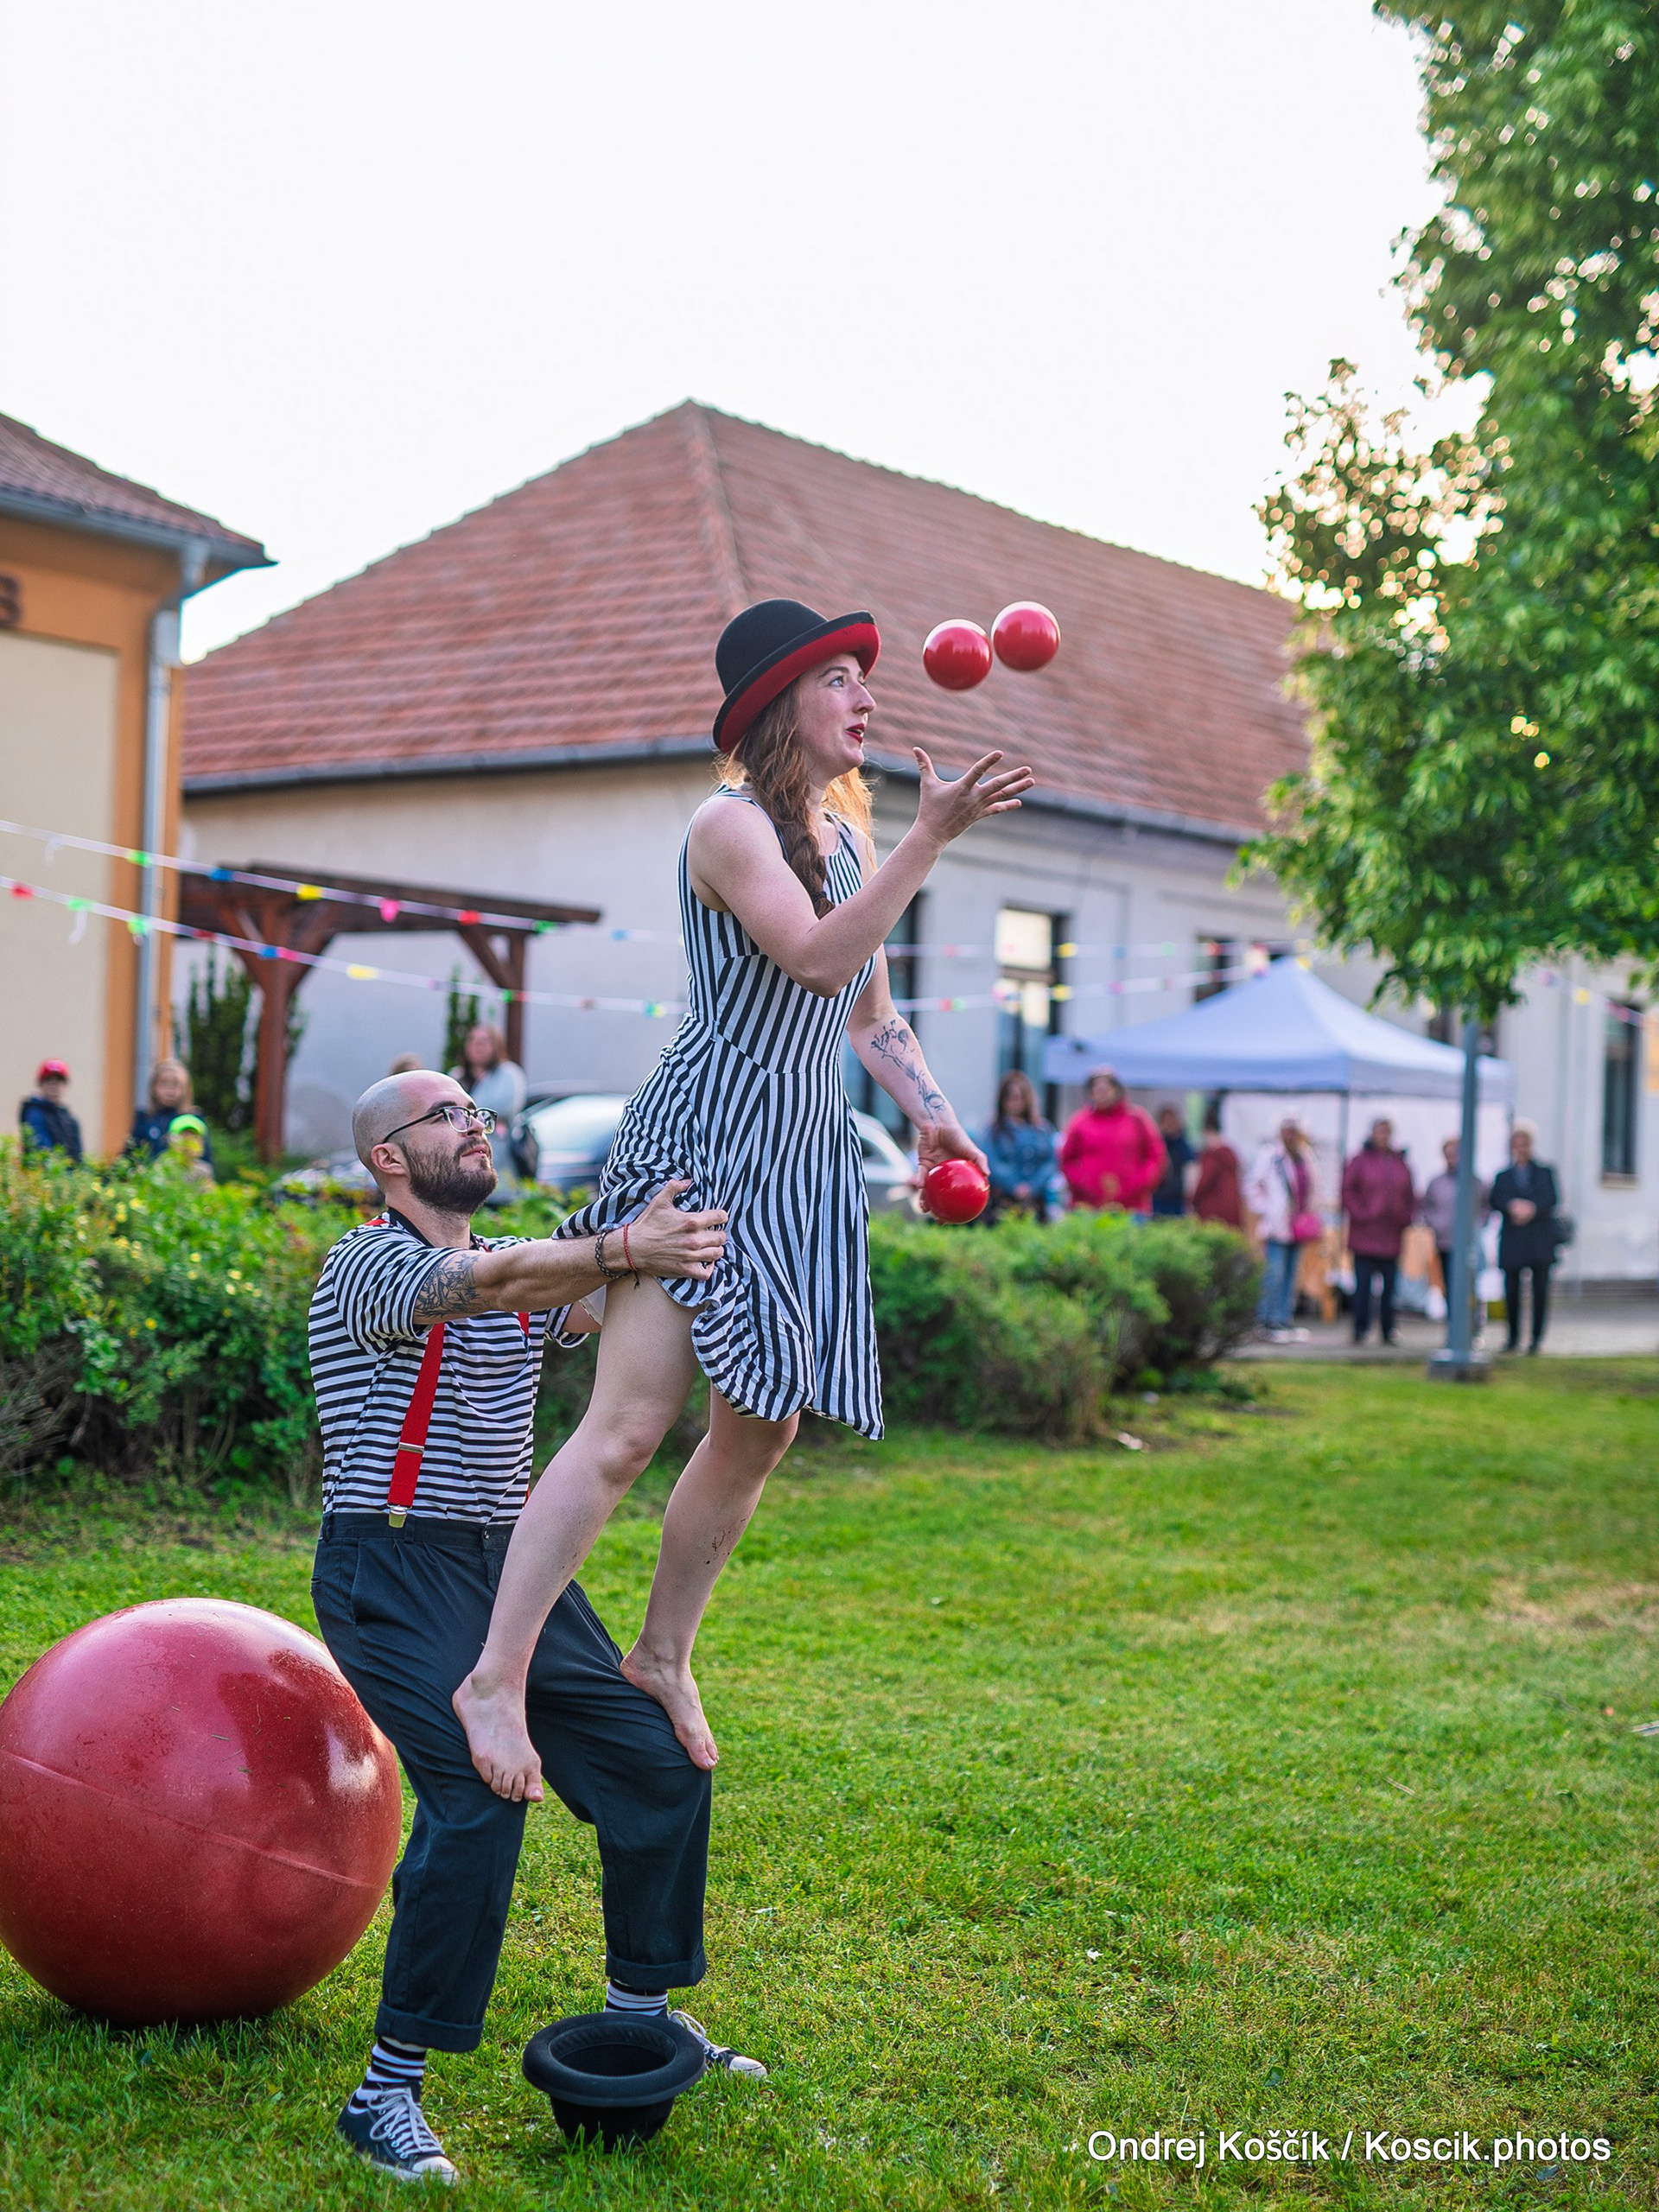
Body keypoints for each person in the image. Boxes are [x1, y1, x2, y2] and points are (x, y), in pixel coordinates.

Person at [451, 598, 1033, 1801]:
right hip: (708, 1143)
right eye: (839, 678)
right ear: (780, 703)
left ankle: (660, 1653)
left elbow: (867, 1012)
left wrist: (931, 1111)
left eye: (865, 677)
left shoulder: (848, 838)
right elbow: (814, 958)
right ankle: (495, 1677)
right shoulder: (727, 827)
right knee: (628, 1426)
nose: (866, 697)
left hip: (803, 1157)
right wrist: (931, 842)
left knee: (763, 1427)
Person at [309, 1068, 755, 2183]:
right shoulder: (364, 1262)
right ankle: (385, 2091)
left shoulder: (530, 1261)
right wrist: (620, 1248)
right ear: (389, 1157)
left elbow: (589, 1277)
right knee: (477, 1797)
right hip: (392, 1566)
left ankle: (640, 2018)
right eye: (448, 1114)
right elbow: (499, 1279)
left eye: (479, 1110)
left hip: (511, 1569)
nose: (476, 1123)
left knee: (659, 1759)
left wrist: (697, 1181)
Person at [1340, 1117, 1418, 1345]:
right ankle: (1360, 1328)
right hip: (1365, 1236)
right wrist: (1362, 1214)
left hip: (1391, 1236)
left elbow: (1411, 1194)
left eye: (1387, 1131)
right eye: (1380, 1131)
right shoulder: (1359, 1161)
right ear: (1372, 1133)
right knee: (1363, 1286)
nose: (1383, 1135)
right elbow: (1347, 1191)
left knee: (1390, 1288)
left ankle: (1388, 1328)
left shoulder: (1400, 1162)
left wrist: (1406, 1216)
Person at [1243, 1116, 1320, 1341]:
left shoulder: (1305, 1156)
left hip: (1298, 1225)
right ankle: (1266, 1320)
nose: (1291, 1135)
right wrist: (1267, 1209)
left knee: (1291, 1274)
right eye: (1287, 1131)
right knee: (1274, 1274)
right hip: (1277, 1225)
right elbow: (1251, 1185)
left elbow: (1312, 1188)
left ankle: (1283, 1318)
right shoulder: (1270, 1156)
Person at [1489, 1119, 1560, 1353]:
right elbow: (1495, 1200)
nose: (1521, 1148)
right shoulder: (1504, 1176)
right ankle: (1512, 1338)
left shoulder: (1545, 1172)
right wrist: (1512, 1207)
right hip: (1513, 1241)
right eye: (1517, 1143)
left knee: (1540, 1292)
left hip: (1539, 1241)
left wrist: (1532, 1208)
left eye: (1525, 1143)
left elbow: (1551, 1198)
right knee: (1512, 1292)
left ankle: (1536, 1338)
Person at [1058, 1070, 1166, 1214]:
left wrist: (1136, 1185)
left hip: (1132, 1206)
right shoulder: (1079, 1122)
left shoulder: (1137, 1119)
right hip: (1087, 1206)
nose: (1101, 1094)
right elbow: (1066, 1159)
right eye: (1096, 1089)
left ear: (1117, 1090)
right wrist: (1084, 1183)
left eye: (1105, 1089)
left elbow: (1156, 1157)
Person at [978, 1069, 1067, 1222]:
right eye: (1011, 1098)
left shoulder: (1042, 1129)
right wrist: (1014, 1186)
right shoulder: (993, 1131)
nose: (1015, 1103)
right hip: (1003, 1199)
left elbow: (1050, 1162)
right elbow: (991, 1162)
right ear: (1002, 1100)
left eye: (1019, 1097)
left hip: (1036, 1200)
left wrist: (1032, 1186)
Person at [1421, 1135, 1489, 1335]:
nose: (1452, 1157)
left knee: (1469, 1287)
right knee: (1449, 1288)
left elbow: (1485, 1208)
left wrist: (1476, 1226)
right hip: (1445, 1242)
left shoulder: (1476, 1182)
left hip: (1468, 1244)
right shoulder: (1436, 1182)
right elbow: (1426, 1207)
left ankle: (1473, 1329)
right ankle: (1453, 1329)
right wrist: (1435, 1223)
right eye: (1449, 1154)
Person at [449, 1023, 526, 1190]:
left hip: (499, 1160)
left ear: (496, 1045)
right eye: (472, 1040)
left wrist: (464, 1114)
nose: (477, 1046)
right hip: (460, 1163)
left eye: (483, 1041)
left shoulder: (509, 1074)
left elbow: (503, 1108)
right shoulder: (456, 1076)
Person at [126, 1058, 215, 1170]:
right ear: (154, 1087)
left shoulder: (193, 1121)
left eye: (176, 1084)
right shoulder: (144, 1119)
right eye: (164, 1083)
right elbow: (129, 1158)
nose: (170, 1090)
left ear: (185, 1088)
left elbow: (206, 1160)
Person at [19, 1059, 82, 1161]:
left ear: (65, 1085)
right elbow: (42, 1150)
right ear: (40, 1084)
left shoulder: (71, 1120)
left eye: (58, 1080)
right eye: (48, 1079)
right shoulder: (34, 1113)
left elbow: (79, 1155)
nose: (54, 1084)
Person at [1192, 1109, 1243, 1228]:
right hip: (1232, 1210)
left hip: (1213, 1212)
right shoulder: (1230, 1153)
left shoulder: (1212, 1156)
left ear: (1206, 1131)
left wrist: (1193, 1200)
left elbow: (1204, 1183)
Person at [1149, 1103, 1193, 1217]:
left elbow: (1191, 1161)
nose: (1170, 1125)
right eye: (1166, 1121)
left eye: (1172, 1121)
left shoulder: (1182, 1144)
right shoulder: (1156, 1144)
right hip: (1158, 1197)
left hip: (1177, 1199)